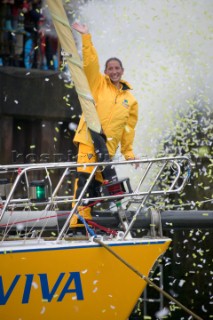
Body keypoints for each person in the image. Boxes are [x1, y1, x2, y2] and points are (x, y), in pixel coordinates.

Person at [70, 22, 138, 227]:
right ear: (106, 71)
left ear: (123, 71)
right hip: (89, 140)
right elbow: (90, 62)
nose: (114, 71)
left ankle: (88, 219)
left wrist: (129, 153)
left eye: (117, 68)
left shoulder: (130, 100)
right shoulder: (98, 83)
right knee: (84, 178)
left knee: (98, 184)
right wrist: (86, 37)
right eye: (110, 68)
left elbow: (129, 129)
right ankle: (77, 221)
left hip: (107, 148)